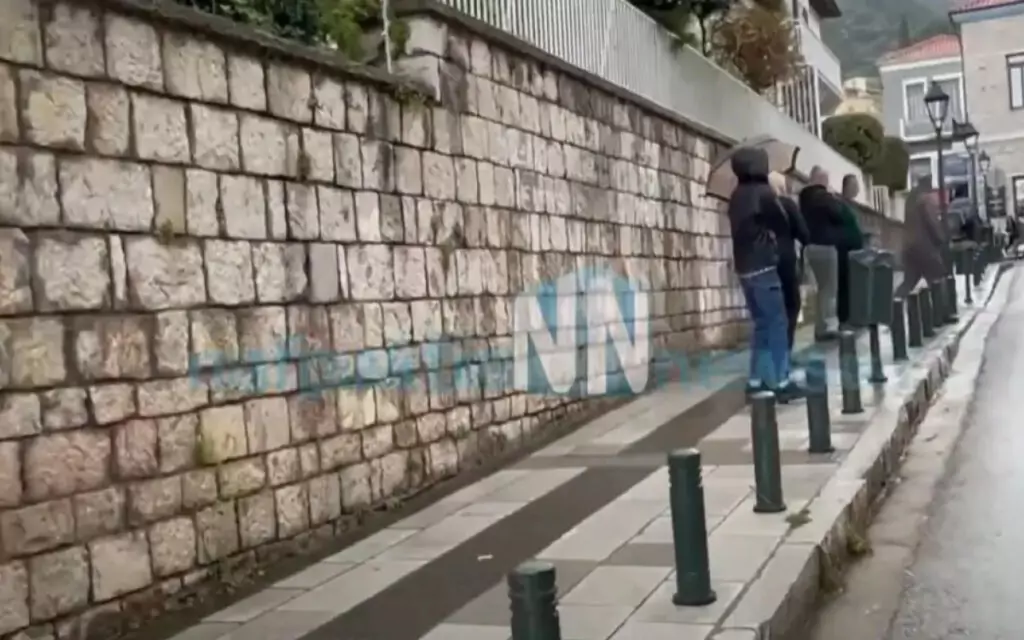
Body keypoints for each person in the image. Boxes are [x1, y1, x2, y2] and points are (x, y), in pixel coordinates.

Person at [727, 147, 803, 402]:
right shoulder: (764, 193)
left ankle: (756, 380)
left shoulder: (736, 196)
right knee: (777, 322)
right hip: (763, 265)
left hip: (744, 267)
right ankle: (781, 380)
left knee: (761, 325)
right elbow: (781, 223)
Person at [799, 166, 846, 341]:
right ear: (821, 179)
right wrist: (832, 196)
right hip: (826, 247)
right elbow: (838, 214)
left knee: (820, 289)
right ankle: (829, 326)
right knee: (829, 289)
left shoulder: (804, 197)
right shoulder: (824, 197)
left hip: (810, 247)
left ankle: (820, 327)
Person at [768, 172, 810, 352]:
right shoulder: (787, 204)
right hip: (785, 260)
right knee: (792, 303)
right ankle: (786, 345)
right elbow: (804, 234)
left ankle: (772, 346)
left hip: (763, 260)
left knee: (771, 306)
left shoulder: (760, 204)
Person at [894, 177, 947, 298]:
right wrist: (941, 239)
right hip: (925, 248)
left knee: (909, 281)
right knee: (938, 278)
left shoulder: (911, 199)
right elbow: (932, 222)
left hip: (910, 247)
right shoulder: (925, 199)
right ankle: (942, 306)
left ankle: (893, 305)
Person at [836, 175, 866, 327]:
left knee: (854, 285)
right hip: (845, 252)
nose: (857, 188)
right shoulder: (840, 205)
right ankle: (844, 319)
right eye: (854, 185)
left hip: (854, 253)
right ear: (846, 187)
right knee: (845, 286)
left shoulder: (852, 205)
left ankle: (853, 316)